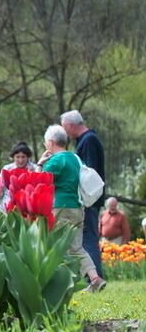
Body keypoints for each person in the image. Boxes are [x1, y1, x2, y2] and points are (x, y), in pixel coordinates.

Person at [36, 124, 106, 292]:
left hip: (59, 208)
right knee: (76, 247)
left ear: (51, 143)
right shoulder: (75, 158)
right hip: (78, 208)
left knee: (55, 245)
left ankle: (60, 284)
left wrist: (40, 163)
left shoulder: (55, 160)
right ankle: (95, 278)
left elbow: (39, 181)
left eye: (46, 143)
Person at [60, 109, 106, 277]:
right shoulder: (86, 140)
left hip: (89, 199)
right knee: (86, 238)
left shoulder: (89, 141)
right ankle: (93, 278)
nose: (63, 132)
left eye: (64, 128)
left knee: (88, 239)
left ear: (72, 125)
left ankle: (94, 279)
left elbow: (88, 172)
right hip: (89, 199)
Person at [0, 141, 37, 212]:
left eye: (23, 157)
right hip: (8, 203)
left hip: (27, 204)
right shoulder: (7, 168)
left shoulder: (34, 168)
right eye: (17, 157)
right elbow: (0, 188)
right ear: (13, 157)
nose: (20, 160)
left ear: (28, 157)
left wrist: (31, 173)